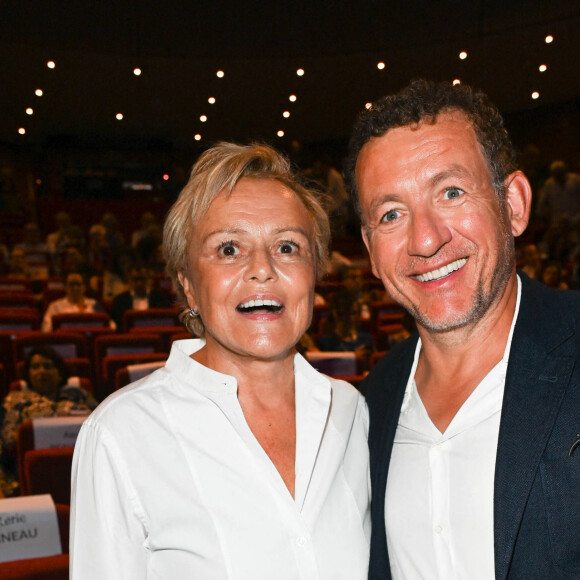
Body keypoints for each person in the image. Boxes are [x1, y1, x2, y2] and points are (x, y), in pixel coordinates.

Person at [70, 142, 370, 579]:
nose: (263, 269)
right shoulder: (121, 434)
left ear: (315, 273)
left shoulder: (353, 413)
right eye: (229, 248)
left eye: (288, 247)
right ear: (188, 284)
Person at [346, 79, 580, 579]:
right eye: (391, 214)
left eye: (451, 192)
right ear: (370, 250)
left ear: (513, 203)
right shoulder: (363, 410)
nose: (426, 239)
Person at [0, 346, 96, 496]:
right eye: (35, 367)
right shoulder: (15, 399)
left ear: (59, 373)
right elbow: (9, 441)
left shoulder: (80, 395)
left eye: (48, 366)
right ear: (28, 373)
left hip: (81, 463)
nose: (41, 371)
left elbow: (98, 427)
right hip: (33, 467)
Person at [110, 264, 173, 330]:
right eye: (136, 279)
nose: (139, 283)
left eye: (142, 279)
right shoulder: (120, 301)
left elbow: (165, 323)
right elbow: (117, 325)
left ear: (149, 279)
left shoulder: (160, 298)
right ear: (129, 280)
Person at [42, 271, 108, 332]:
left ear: (84, 287)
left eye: (78, 284)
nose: (75, 288)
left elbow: (110, 325)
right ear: (65, 287)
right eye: (72, 284)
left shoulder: (94, 304)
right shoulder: (55, 306)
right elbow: (46, 328)